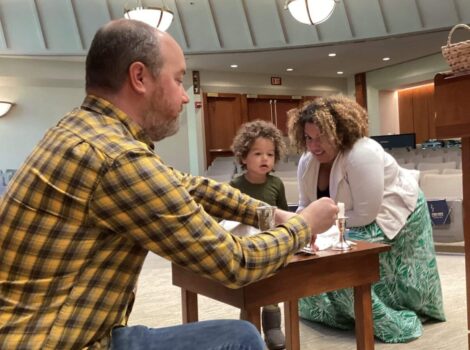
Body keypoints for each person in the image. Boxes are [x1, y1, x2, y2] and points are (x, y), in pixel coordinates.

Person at [0, 19, 339, 350]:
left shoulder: (81, 129)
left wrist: (270, 214)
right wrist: (303, 224)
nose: (184, 98)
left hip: (50, 330)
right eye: (178, 80)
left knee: (240, 334)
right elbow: (236, 263)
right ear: (139, 77)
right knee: (243, 338)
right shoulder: (118, 158)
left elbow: (191, 186)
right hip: (55, 340)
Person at [287, 94, 445, 343]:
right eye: (308, 138)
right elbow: (306, 206)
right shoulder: (307, 162)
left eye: (322, 137)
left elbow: (364, 215)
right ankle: (341, 313)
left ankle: (389, 319)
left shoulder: (363, 153)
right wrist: (298, 229)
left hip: (393, 214)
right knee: (302, 253)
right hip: (346, 219)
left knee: (338, 262)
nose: (314, 145)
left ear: (339, 131)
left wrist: (321, 226)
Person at [230, 120, 288, 350]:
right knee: (250, 291)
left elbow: (284, 214)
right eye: (257, 153)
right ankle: (248, 329)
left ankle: (273, 327)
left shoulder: (276, 184)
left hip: (270, 245)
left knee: (272, 287)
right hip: (246, 246)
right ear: (244, 157)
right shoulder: (235, 184)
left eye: (270, 154)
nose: (265, 159)